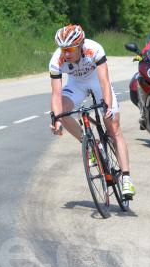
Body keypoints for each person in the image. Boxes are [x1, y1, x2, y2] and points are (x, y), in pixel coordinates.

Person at [48, 24, 135, 199]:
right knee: (62, 113)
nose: (66, 54)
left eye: (70, 49)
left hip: (97, 82)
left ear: (80, 45)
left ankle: (126, 178)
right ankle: (90, 144)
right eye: (63, 49)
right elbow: (56, 94)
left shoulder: (94, 49)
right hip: (76, 85)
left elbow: (104, 82)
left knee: (113, 127)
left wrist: (107, 106)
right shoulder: (56, 60)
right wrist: (56, 119)